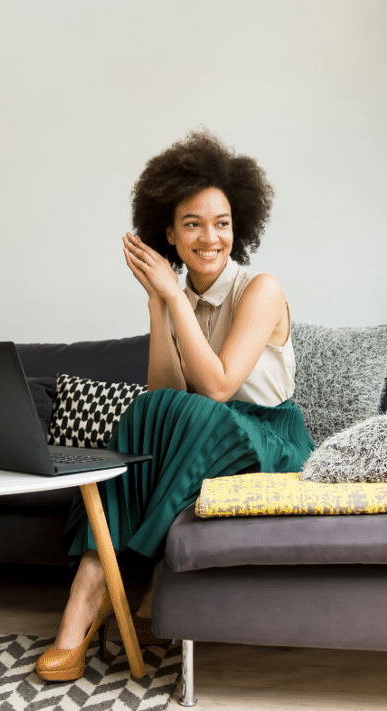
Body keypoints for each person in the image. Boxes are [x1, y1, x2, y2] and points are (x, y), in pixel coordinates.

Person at [35, 130, 314, 681]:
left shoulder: (261, 289)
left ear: (240, 225)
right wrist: (159, 303)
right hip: (204, 434)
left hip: (270, 440)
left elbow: (216, 388)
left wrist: (173, 298)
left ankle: (112, 593)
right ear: (168, 232)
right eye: (192, 224)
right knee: (144, 411)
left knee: (194, 413)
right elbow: (164, 395)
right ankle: (88, 604)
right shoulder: (177, 297)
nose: (210, 238)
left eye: (222, 223)